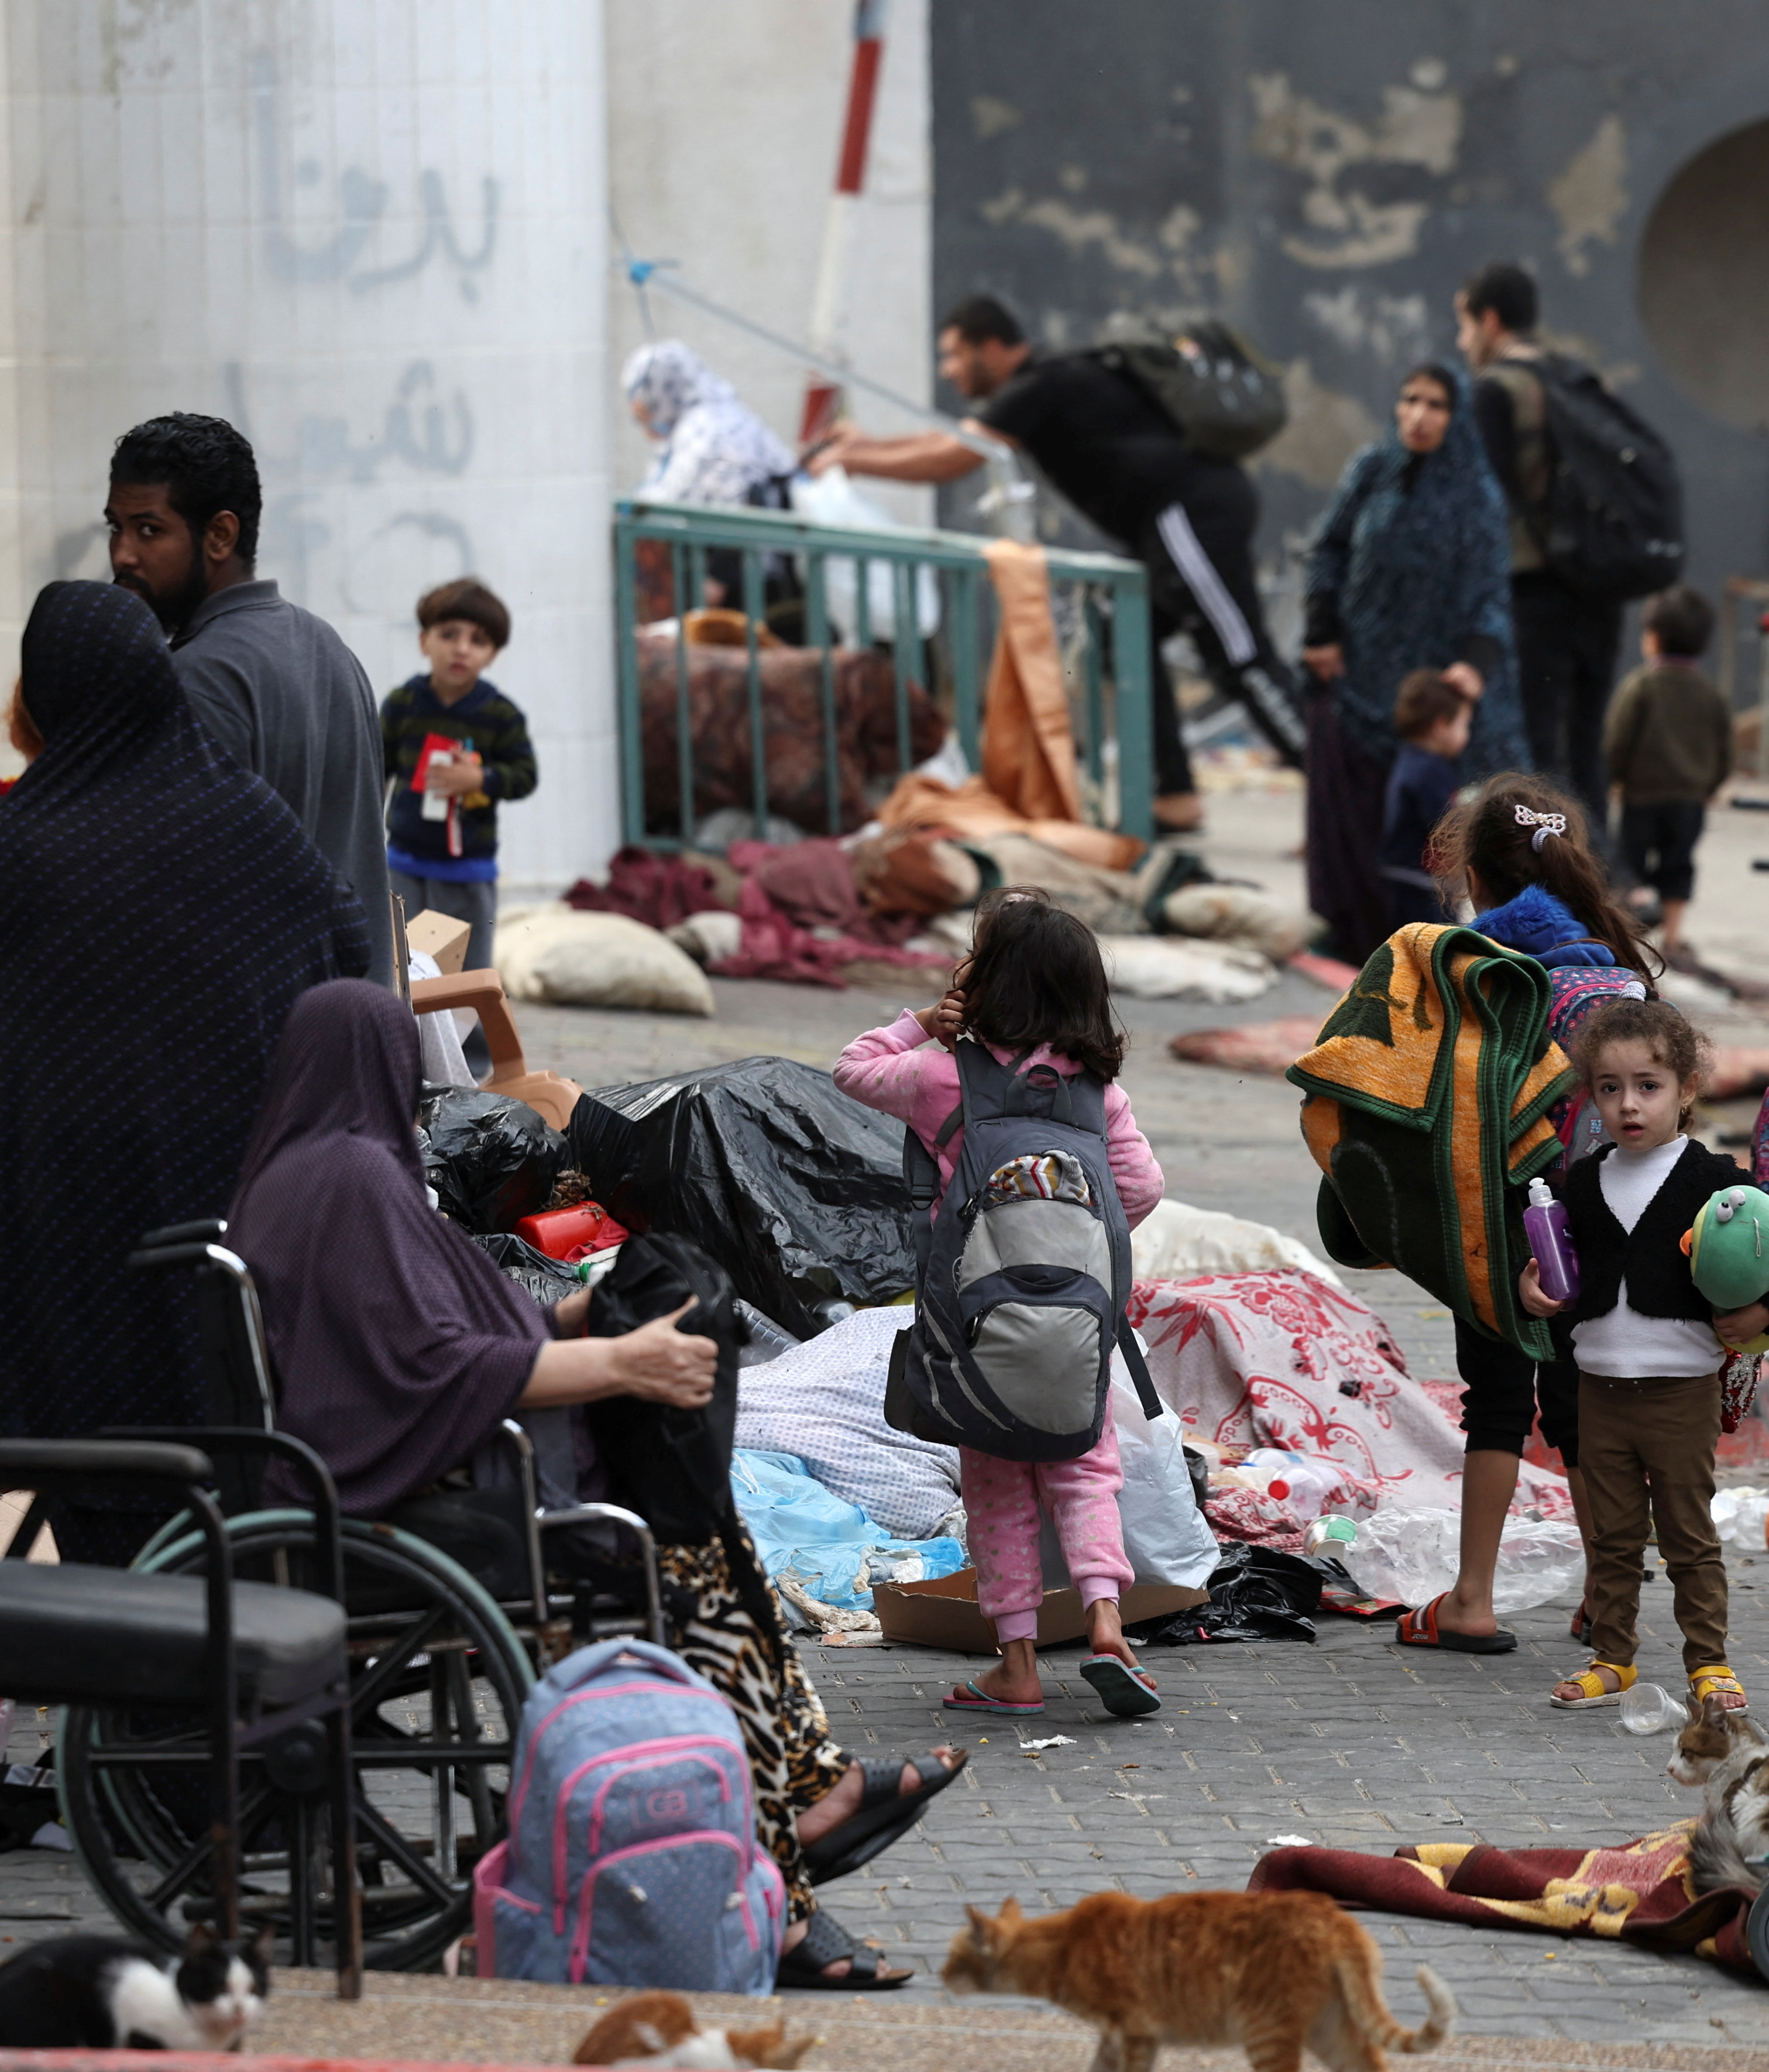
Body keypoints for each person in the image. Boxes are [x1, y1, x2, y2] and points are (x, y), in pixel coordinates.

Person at [227, 980, 961, 1989]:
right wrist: (622, 1367)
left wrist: (601, 1310)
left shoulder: (327, 1166)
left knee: (706, 1544)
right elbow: (425, 1370)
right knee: (677, 1567)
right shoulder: (349, 1178)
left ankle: (802, 1795)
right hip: (396, 1500)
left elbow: (461, 1324)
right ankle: (780, 1874)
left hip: (413, 1479)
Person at [0, 581, 373, 1565]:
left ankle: (133, 1674)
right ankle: (217, 1652)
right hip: (232, 1218)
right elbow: (344, 937)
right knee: (226, 1447)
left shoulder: (20, 844)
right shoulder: (239, 811)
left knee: (108, 1468)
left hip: (71, 1231)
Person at [833, 891, 1166, 1716]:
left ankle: (1016, 1665)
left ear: (984, 983)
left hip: (975, 1328)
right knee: (1085, 1467)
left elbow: (851, 1067)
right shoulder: (1096, 1095)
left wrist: (921, 1021)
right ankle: (1104, 1619)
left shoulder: (941, 1074)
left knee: (997, 1487)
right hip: (1077, 1326)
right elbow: (1142, 1188)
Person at [813, 293, 1299, 830]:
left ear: (992, 348)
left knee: (1240, 658)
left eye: (954, 356)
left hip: (1188, 515)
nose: (948, 371)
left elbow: (951, 457)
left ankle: (1345, 800)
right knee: (1124, 633)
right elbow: (955, 438)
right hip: (1176, 520)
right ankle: (1174, 796)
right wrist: (863, 448)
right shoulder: (1046, 380)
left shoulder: (1041, 385)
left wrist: (852, 460)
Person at [1395, 776, 1657, 1653]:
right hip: (1611, 1223)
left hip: (1514, 1224)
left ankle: (1470, 1598)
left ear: (1474, 873)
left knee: (1498, 1402)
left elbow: (1453, 1121)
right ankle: (1604, 1596)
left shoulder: (1486, 974)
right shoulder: (1620, 969)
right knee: (1580, 1405)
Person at [1517, 999, 1769, 1716]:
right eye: (1609, 1088)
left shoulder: (1716, 1183)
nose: (1628, 1104)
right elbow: (1550, 1268)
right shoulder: (1578, 1183)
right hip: (1599, 1391)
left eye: (1648, 1085)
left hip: (1681, 1392)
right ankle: (1612, 1656)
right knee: (1610, 1536)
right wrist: (1531, 1289)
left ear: (1686, 1090)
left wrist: (1764, 1314)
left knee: (1687, 1535)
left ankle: (1708, 1662)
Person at [104, 413, 392, 928]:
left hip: (266, 1009)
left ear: (220, 535)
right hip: (355, 1003)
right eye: (116, 528)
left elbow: (185, 903)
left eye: (149, 530)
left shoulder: (194, 680)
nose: (123, 554)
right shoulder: (329, 648)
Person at [1299, 360, 1530, 955]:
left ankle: (1403, 949)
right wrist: (1321, 631)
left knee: (1413, 829)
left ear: (1455, 420)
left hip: (1421, 697)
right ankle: (1343, 934)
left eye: (1435, 404)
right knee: (1345, 825)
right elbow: (1327, 547)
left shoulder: (1476, 496)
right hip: (1356, 677)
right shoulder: (1373, 470)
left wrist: (1473, 667)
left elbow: (1488, 594)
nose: (1418, 416)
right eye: (1409, 400)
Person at [1459, 262, 1627, 829]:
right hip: (1600, 583)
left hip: (1534, 589)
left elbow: (1486, 502)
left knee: (1539, 750)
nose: (1462, 343)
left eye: (1463, 326)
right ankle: (1605, 880)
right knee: (1586, 744)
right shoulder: (1579, 378)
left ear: (1488, 320)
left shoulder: (1493, 391)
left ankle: (1562, 878)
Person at [382, 578, 534, 979]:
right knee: (402, 970)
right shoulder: (402, 705)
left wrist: (480, 778)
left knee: (465, 978)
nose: (461, 648)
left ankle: (471, 1046)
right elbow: (373, 770)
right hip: (403, 867)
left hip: (468, 872)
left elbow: (525, 776)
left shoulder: (501, 715)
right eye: (448, 634)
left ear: (493, 654)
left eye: (478, 640)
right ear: (423, 641)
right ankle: (404, 1043)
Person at [1602, 585, 1731, 968]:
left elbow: (1618, 739)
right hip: (1689, 800)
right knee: (1679, 864)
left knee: (1631, 864)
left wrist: (1614, 777)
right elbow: (1724, 750)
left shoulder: (1641, 685)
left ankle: (1624, 936)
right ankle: (1673, 937)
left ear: (1653, 638)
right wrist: (1708, 786)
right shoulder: (1711, 693)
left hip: (1641, 797)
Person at [624, 339, 799, 614]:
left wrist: (719, 578)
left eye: (643, 415)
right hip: (759, 573)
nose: (645, 427)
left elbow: (731, 500)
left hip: (746, 584)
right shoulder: (712, 420)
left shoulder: (706, 431)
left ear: (659, 395)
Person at [1375, 669, 1473, 930]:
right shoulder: (1431, 769)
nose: (1467, 735)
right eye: (1464, 725)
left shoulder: (1410, 759)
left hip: (1402, 873)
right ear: (1441, 725)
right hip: (1420, 881)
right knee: (1431, 948)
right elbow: (1445, 822)